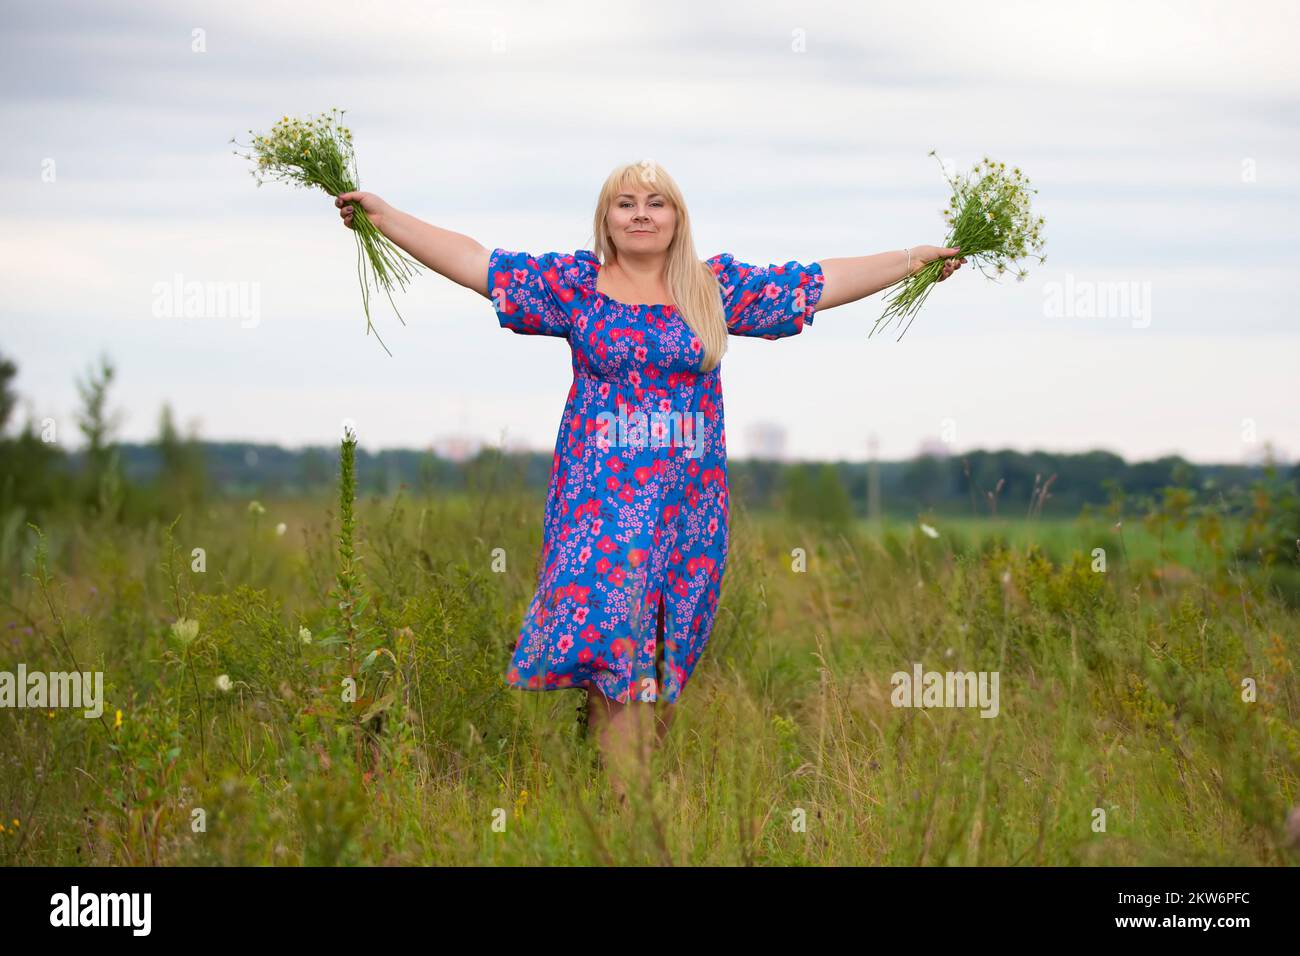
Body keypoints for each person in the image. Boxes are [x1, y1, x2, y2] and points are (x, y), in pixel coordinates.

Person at [334, 161, 965, 805]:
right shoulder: (574, 284)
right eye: (625, 204)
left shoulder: (712, 288)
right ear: (605, 219)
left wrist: (911, 259)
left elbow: (817, 282)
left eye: (656, 203)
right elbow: (475, 261)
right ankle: (628, 816)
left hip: (690, 508)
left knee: (661, 665)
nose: (641, 214)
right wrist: (386, 219)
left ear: (676, 218)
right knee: (619, 654)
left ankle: (610, 798)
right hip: (599, 504)